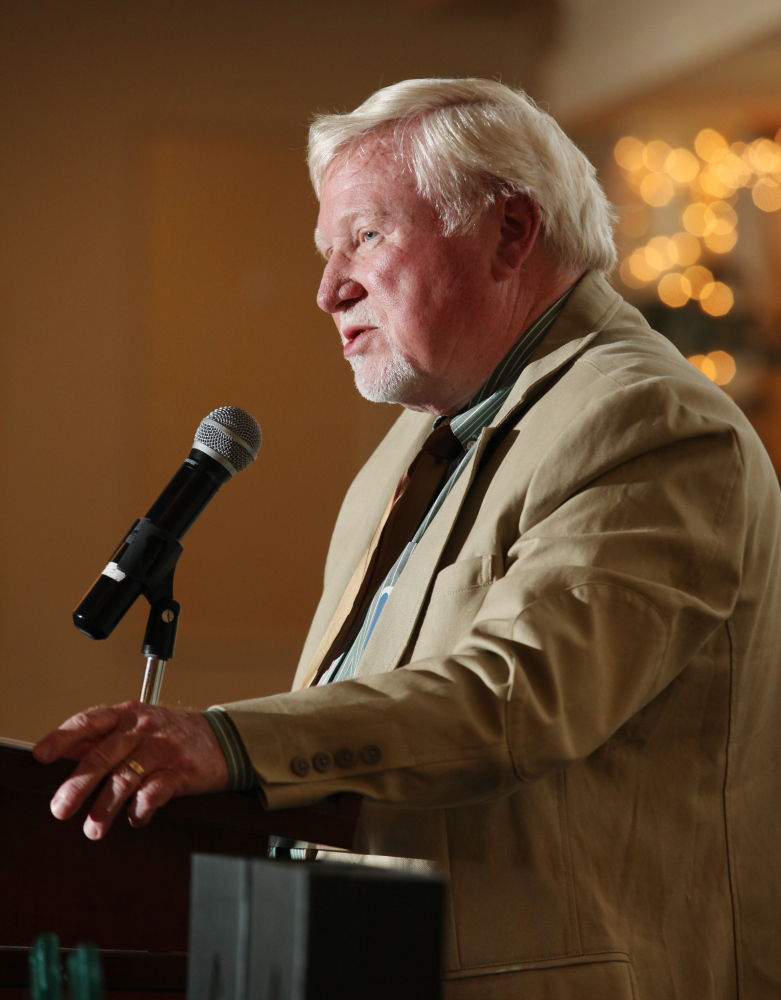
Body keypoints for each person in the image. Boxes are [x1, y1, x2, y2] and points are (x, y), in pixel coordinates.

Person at [35, 79, 781, 999]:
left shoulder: (650, 421)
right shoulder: (417, 444)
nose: (327, 288)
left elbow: (521, 694)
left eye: (366, 236)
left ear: (511, 231)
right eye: (326, 248)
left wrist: (228, 744)